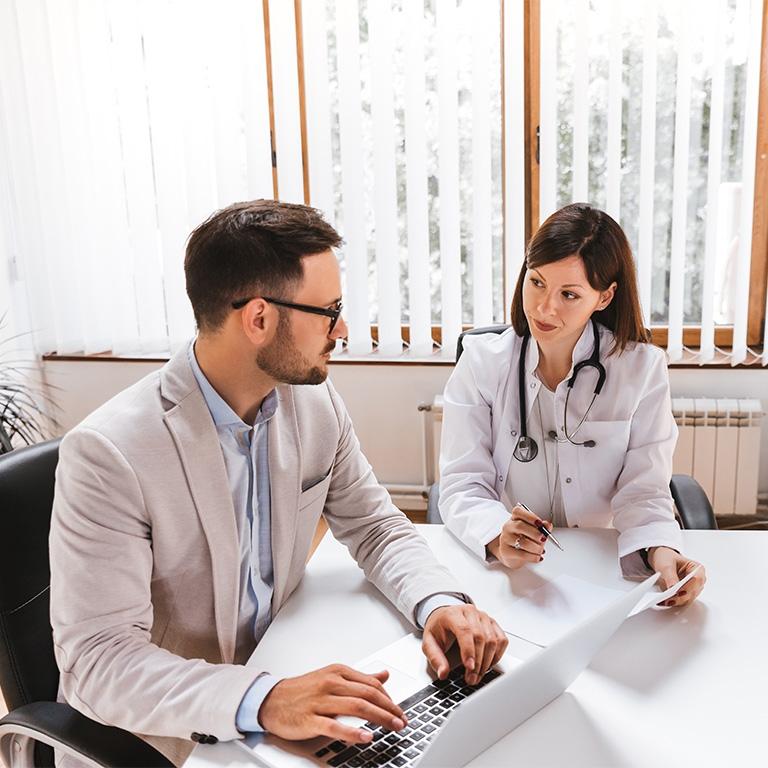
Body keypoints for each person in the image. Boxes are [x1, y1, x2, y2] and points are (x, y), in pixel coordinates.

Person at [50, 200, 507, 766]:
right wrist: (263, 698)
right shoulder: (109, 455)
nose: (341, 328)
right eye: (330, 310)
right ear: (259, 318)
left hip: (285, 673)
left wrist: (437, 603)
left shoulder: (312, 400)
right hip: (170, 737)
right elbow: (99, 661)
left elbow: (376, 525)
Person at [438, 203, 706, 606]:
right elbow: (462, 483)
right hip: (513, 575)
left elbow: (644, 491)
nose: (545, 309)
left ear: (605, 296)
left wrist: (660, 551)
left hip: (602, 567)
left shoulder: (641, 370)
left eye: (569, 294)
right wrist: (496, 533)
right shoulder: (482, 363)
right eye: (537, 282)